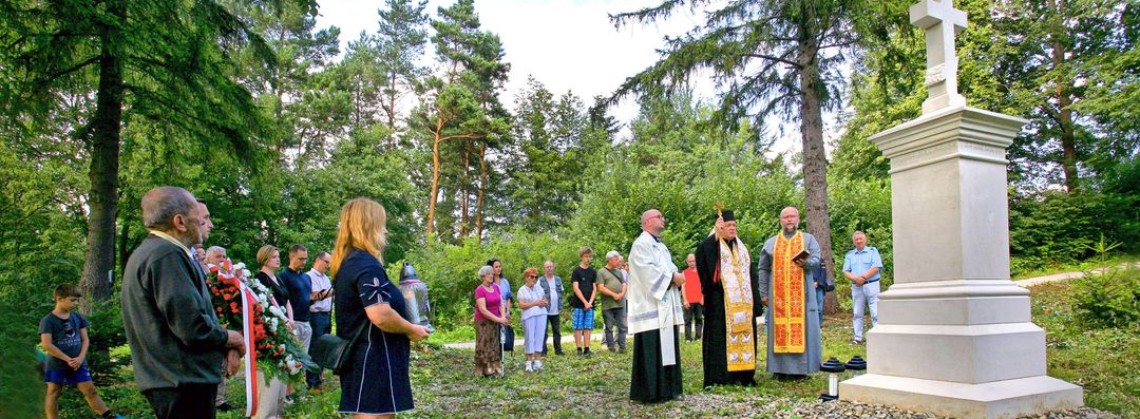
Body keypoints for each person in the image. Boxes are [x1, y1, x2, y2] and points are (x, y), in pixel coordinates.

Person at [121, 187, 244, 419]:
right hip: (182, 384)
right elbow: (191, 326)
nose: (207, 225)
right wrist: (232, 338)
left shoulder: (156, 253)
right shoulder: (166, 256)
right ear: (179, 221)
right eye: (200, 219)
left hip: (175, 381)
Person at [331, 198, 430, 418]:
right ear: (368, 225)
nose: (385, 231)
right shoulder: (365, 264)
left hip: (370, 357)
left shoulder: (353, 261)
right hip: (372, 358)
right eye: (382, 224)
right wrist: (411, 329)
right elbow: (380, 315)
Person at [695, 210, 761, 387]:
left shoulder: (742, 248)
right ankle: (720, 377)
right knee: (720, 340)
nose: (732, 228)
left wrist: (757, 300)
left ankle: (744, 375)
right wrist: (714, 236)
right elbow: (704, 263)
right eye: (727, 226)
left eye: (734, 225)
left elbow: (751, 274)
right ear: (720, 228)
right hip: (720, 305)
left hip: (744, 306)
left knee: (745, 338)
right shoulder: (712, 246)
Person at [627, 209, 685, 403]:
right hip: (650, 307)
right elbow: (647, 273)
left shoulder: (661, 246)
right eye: (660, 217)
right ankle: (651, 392)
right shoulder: (641, 244)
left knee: (668, 347)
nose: (664, 219)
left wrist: (677, 276)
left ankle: (669, 389)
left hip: (665, 306)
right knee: (652, 350)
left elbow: (669, 267)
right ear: (648, 221)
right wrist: (673, 278)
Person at [757, 206, 823, 379]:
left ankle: (802, 370)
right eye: (786, 217)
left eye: (793, 216)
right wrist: (763, 293)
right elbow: (763, 268)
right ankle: (779, 370)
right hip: (777, 297)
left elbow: (817, 259)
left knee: (804, 330)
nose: (789, 219)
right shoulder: (771, 243)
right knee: (777, 330)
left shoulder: (808, 240)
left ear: (798, 219)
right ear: (781, 220)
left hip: (802, 297)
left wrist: (805, 263)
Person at [41, 284, 123, 419]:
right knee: (53, 392)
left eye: (77, 300)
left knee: (90, 391)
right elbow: (46, 344)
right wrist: (68, 359)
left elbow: (85, 340)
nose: (76, 303)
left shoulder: (77, 318)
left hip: (79, 362)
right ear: (59, 299)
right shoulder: (48, 321)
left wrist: (80, 358)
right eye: (72, 300)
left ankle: (109, 416)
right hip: (57, 364)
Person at [203, 245, 236, 412]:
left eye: (224, 257)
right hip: (208, 325)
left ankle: (220, 399)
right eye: (218, 257)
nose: (222, 260)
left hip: (225, 323)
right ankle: (209, 398)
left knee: (223, 362)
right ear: (208, 259)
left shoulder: (229, 277)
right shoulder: (205, 276)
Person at [843, 231, 883, 345]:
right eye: (856, 239)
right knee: (857, 313)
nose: (859, 241)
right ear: (854, 242)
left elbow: (876, 267)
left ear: (865, 240)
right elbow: (846, 271)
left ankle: (878, 336)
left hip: (872, 284)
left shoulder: (872, 251)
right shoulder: (850, 255)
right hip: (857, 286)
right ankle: (858, 338)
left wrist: (863, 277)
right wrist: (856, 279)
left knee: (875, 311)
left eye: (861, 239)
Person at [474, 265, 508, 377]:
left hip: (495, 320)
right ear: (483, 276)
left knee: (494, 344)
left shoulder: (496, 287)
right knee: (483, 344)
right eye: (489, 274)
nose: (491, 276)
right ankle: (480, 368)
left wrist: (503, 317)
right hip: (483, 321)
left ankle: (493, 367)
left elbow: (501, 304)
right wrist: (498, 319)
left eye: (492, 274)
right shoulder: (480, 290)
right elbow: (483, 310)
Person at [307, 251, 334, 391]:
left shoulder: (325, 278)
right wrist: (334, 290)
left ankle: (318, 377)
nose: (328, 266)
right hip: (315, 316)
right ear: (318, 260)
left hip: (326, 315)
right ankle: (312, 381)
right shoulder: (310, 276)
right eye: (327, 262)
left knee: (324, 347)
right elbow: (315, 296)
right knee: (315, 348)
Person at [516, 267, 548, 372]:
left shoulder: (539, 288)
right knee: (530, 338)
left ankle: (537, 360)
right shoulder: (522, 290)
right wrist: (535, 303)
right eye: (532, 277)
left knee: (539, 337)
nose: (534, 279)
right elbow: (522, 305)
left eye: (536, 277)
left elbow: (544, 300)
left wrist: (544, 302)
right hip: (528, 316)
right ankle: (528, 362)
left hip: (541, 314)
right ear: (526, 277)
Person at [596, 251, 628, 353]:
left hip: (620, 303)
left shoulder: (619, 272)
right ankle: (611, 348)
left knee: (622, 327)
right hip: (608, 305)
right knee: (609, 327)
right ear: (609, 260)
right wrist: (614, 295)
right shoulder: (601, 272)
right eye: (616, 259)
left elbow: (624, 284)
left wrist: (621, 294)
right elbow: (600, 287)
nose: (618, 261)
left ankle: (622, 347)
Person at [569, 246, 597, 356]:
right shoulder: (576, 271)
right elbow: (576, 288)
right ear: (582, 257)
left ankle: (587, 348)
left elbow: (595, 288)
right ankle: (579, 349)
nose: (588, 259)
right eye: (586, 256)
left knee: (588, 326)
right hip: (579, 303)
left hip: (590, 304)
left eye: (590, 257)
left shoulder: (593, 272)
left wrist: (589, 302)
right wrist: (584, 302)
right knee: (578, 326)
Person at [537, 260, 565, 356]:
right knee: (543, 332)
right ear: (544, 269)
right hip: (544, 310)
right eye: (547, 267)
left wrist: (561, 305)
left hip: (556, 310)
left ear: (553, 267)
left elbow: (561, 292)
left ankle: (558, 351)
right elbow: (537, 295)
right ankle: (543, 352)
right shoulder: (540, 280)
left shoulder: (558, 279)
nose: (549, 268)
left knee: (557, 332)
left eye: (550, 266)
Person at [488, 258, 515, 353]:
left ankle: (500, 358)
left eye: (500, 266)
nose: (499, 269)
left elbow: (508, 298)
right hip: (493, 312)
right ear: (491, 269)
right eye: (496, 267)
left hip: (504, 312)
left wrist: (507, 312)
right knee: (494, 336)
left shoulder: (505, 282)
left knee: (503, 337)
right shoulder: (489, 283)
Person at [681, 253, 703, 342]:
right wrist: (685, 300)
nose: (692, 263)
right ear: (687, 262)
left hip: (699, 300)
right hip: (688, 301)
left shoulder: (701, 272)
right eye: (690, 261)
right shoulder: (684, 273)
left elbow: (703, 285)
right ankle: (688, 338)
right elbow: (683, 286)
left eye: (693, 261)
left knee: (699, 319)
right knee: (687, 320)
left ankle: (698, 337)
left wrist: (703, 298)